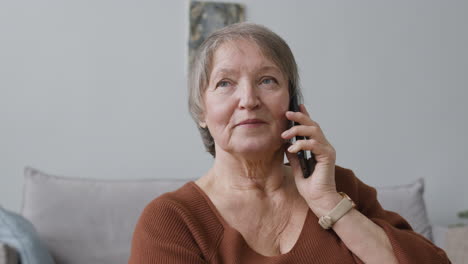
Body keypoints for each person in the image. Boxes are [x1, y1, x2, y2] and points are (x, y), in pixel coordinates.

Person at [128, 22, 450, 263]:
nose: (248, 99)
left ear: (293, 105)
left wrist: (328, 203)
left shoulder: (341, 187)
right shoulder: (172, 220)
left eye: (267, 80)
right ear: (202, 110)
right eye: (225, 83)